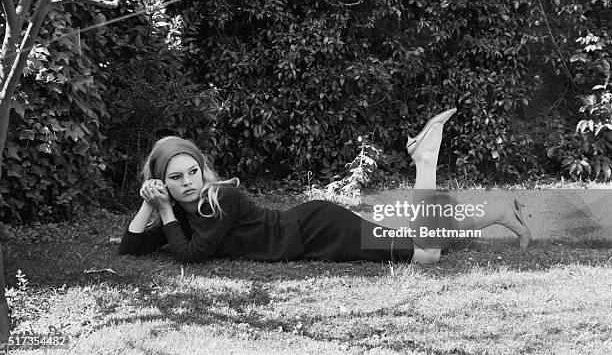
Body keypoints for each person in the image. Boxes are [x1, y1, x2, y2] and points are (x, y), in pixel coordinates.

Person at [118, 108, 531, 264]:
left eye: (192, 172)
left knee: (425, 255)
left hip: (317, 228)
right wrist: (148, 204)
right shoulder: (187, 214)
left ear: (202, 169)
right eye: (175, 179)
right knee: (414, 241)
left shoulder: (219, 198)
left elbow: (192, 256)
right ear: (161, 182)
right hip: (309, 231)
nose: (187, 183)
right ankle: (497, 212)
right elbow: (132, 249)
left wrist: (166, 210)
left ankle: (425, 159)